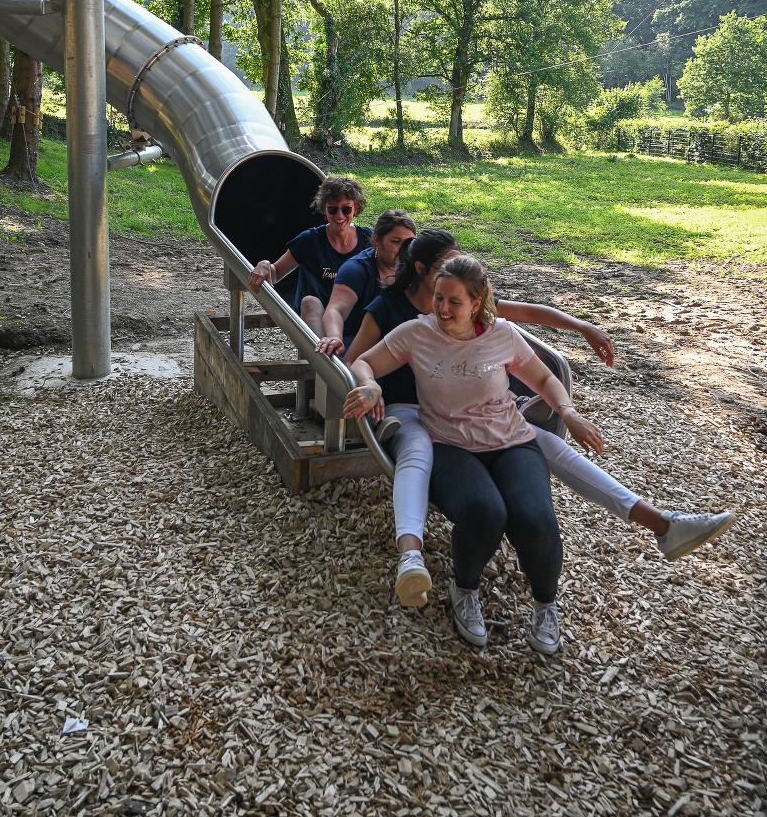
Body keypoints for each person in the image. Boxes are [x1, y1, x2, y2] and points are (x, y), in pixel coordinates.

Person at [344, 232, 737, 625]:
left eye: (453, 302)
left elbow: (544, 377)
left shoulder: (501, 334)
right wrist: (370, 384)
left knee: (536, 519)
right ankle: (462, 589)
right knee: (486, 511)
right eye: (439, 299)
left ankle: (548, 605)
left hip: (508, 436)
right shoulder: (417, 331)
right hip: (448, 439)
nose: (443, 309)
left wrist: (567, 412)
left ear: (477, 302)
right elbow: (365, 361)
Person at [248, 177, 372, 335]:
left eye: (346, 209)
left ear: (355, 209)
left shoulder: (367, 240)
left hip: (353, 314)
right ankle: (322, 356)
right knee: (309, 302)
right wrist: (264, 264)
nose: (339, 215)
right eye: (332, 209)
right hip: (318, 316)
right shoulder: (310, 240)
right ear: (324, 209)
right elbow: (277, 272)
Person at [315, 209, 417, 354]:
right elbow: (335, 310)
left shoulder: (416, 269)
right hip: (355, 338)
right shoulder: (355, 269)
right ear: (377, 240)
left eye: (408, 243)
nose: (403, 249)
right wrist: (335, 337)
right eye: (396, 242)